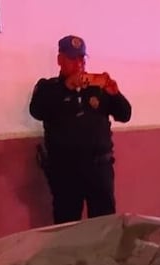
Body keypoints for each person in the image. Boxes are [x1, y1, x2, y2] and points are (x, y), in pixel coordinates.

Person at [29, 35, 133, 224]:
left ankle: (102, 255)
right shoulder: (48, 88)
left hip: (99, 168)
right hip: (65, 170)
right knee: (67, 225)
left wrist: (115, 94)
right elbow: (36, 110)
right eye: (72, 58)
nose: (78, 64)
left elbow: (125, 114)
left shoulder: (96, 88)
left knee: (104, 225)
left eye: (81, 59)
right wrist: (66, 88)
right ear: (60, 60)